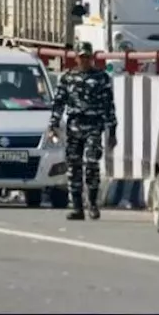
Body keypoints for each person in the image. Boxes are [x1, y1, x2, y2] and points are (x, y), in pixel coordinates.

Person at [49, 42, 117, 221]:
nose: (85, 60)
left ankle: (92, 204)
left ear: (91, 58)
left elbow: (108, 105)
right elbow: (58, 103)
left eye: (88, 57)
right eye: (82, 57)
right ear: (76, 58)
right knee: (74, 167)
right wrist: (53, 126)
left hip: (93, 126)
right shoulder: (67, 78)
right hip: (74, 126)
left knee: (92, 164)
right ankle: (77, 207)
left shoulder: (101, 78)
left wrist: (112, 130)